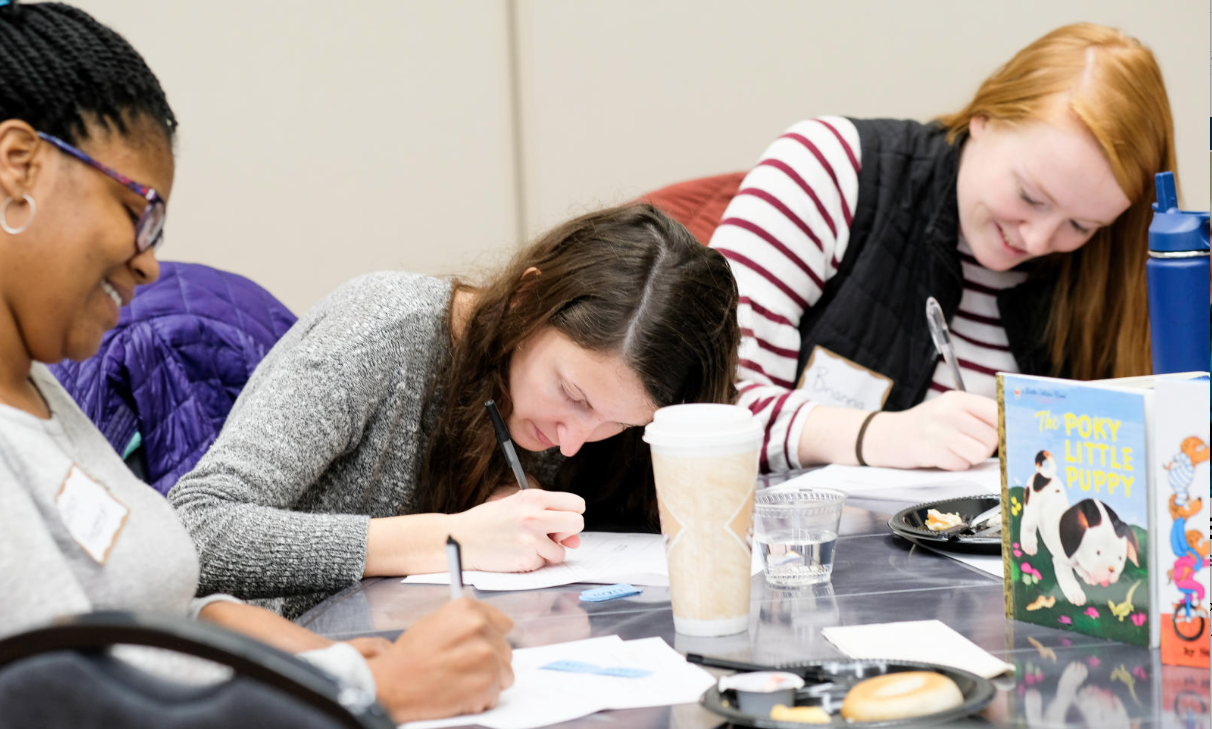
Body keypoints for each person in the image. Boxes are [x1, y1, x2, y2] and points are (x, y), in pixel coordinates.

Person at [0, 3, 512, 722]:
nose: (149, 264)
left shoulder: (40, 392)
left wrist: (325, 665)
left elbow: (159, 610)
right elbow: (61, 706)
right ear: (17, 167)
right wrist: (372, 696)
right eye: (138, 210)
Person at [167, 202, 740, 618]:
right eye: (572, 395)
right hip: (276, 676)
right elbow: (194, 529)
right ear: (527, 299)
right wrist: (453, 539)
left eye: (615, 424)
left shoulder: (582, 418)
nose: (571, 442)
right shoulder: (382, 329)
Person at [708, 23, 1175, 474]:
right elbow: (706, 408)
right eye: (1031, 197)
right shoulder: (829, 169)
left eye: (1080, 225)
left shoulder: (1109, 274)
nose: (1037, 241)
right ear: (984, 118)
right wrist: (878, 435)